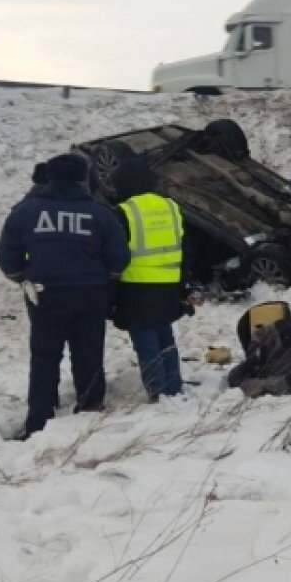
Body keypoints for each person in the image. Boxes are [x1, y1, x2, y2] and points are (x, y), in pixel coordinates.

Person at [0, 153, 130, 437]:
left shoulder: (25, 211)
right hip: (90, 295)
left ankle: (39, 419)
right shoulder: (99, 213)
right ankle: (90, 408)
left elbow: (7, 257)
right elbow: (119, 257)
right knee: (89, 354)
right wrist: (107, 280)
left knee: (45, 357)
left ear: (50, 176)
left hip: (45, 296)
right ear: (82, 178)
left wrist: (22, 278)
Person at [110, 159, 188, 402]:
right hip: (169, 281)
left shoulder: (124, 211)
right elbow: (184, 244)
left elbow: (117, 253)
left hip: (137, 284)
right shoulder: (171, 207)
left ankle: (157, 391)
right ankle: (174, 387)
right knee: (165, 335)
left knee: (145, 340)